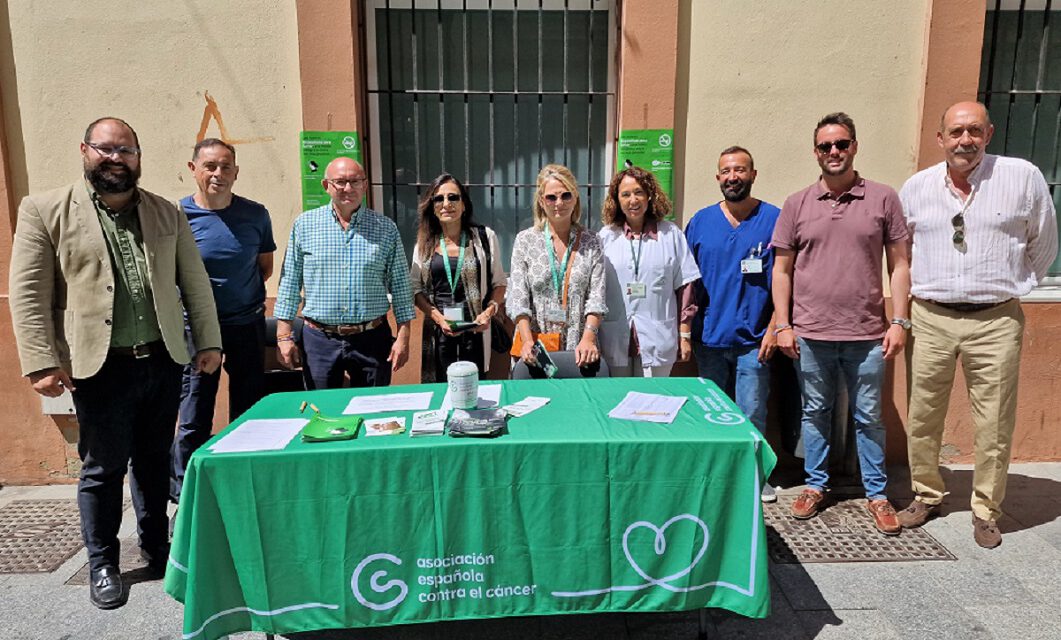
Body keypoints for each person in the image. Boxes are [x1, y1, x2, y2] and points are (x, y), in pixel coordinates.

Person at [8, 117, 222, 609]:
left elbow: (194, 282)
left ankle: (156, 547)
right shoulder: (46, 210)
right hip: (98, 367)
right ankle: (103, 562)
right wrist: (41, 360)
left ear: (138, 157)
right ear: (84, 151)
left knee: (153, 461)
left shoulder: (166, 212)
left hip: (163, 361)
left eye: (125, 150)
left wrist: (207, 341)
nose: (115, 158)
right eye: (105, 149)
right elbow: (28, 294)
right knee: (103, 469)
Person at [897, 101, 1058, 548]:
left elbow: (1044, 242)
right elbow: (902, 255)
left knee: (994, 421)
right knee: (923, 414)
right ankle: (927, 494)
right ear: (940, 139)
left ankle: (987, 510)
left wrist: (1016, 284)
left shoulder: (1021, 177)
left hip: (995, 319)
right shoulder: (917, 187)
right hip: (930, 317)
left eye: (973, 131)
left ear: (988, 134)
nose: (964, 140)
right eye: (955, 132)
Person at [771, 112, 911, 536]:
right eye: (825, 146)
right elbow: (781, 270)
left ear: (854, 146)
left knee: (869, 416)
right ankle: (816, 485)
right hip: (811, 332)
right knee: (815, 412)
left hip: (867, 333)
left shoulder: (883, 198)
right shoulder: (797, 203)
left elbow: (900, 263)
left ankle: (877, 494)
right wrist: (783, 323)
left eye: (841, 144)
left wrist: (900, 319)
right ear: (815, 152)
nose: (834, 152)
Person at [170, 138, 275, 502]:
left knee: (248, 411)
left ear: (236, 172)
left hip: (246, 325)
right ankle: (186, 497)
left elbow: (263, 268)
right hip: (197, 332)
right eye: (210, 166)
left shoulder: (255, 214)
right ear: (193, 169)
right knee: (195, 415)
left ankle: (244, 486)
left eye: (226, 167)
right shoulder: (177, 217)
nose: (218, 174)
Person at [686, 146, 782, 502]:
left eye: (740, 170)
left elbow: (787, 280)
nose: (733, 177)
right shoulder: (700, 222)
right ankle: (717, 478)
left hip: (754, 340)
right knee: (712, 414)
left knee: (752, 412)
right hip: (709, 338)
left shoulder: (774, 219)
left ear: (753, 174)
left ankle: (755, 478)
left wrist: (775, 327)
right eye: (726, 171)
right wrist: (684, 330)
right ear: (717, 177)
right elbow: (687, 284)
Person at [274, 157, 414, 389]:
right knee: (322, 414)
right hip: (319, 340)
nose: (348, 188)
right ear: (326, 185)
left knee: (373, 410)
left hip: (372, 338)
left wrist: (404, 337)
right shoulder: (304, 225)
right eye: (340, 182)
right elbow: (290, 280)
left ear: (365, 185)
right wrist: (283, 335)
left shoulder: (385, 228)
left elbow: (400, 285)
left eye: (355, 181)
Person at [598, 167, 699, 377]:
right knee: (618, 398)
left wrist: (685, 334)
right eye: (625, 194)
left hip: (659, 334)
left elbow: (686, 287)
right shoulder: (606, 237)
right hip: (615, 333)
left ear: (650, 195)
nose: (632, 200)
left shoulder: (671, 234)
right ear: (617, 199)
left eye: (638, 192)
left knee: (653, 400)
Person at [507, 164, 607, 370]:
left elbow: (597, 297)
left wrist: (588, 337)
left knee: (576, 400)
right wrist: (527, 340)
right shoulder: (525, 241)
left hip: (579, 346)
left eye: (566, 196)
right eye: (551, 197)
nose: (559, 203)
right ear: (541, 201)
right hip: (534, 344)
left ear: (576, 198)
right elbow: (518, 298)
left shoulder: (592, 241)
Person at [410, 174, 507, 381]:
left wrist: (488, 313)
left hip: (476, 330)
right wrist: (437, 317)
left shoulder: (484, 238)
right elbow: (415, 290)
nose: (446, 204)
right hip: (438, 331)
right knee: (439, 387)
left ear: (464, 204)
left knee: (475, 387)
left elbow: (499, 283)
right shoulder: (424, 243)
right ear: (432, 207)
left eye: (453, 197)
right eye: (439, 199)